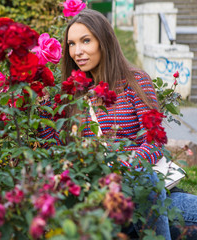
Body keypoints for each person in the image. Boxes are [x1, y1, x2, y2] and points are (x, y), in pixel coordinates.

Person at [37, 8, 197, 239]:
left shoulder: (134, 81)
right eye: (71, 44)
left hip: (145, 189)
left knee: (151, 184)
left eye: (85, 41)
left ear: (104, 41)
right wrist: (38, 113)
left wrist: (121, 172)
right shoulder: (70, 94)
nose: (77, 51)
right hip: (97, 197)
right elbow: (53, 148)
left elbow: (153, 141)